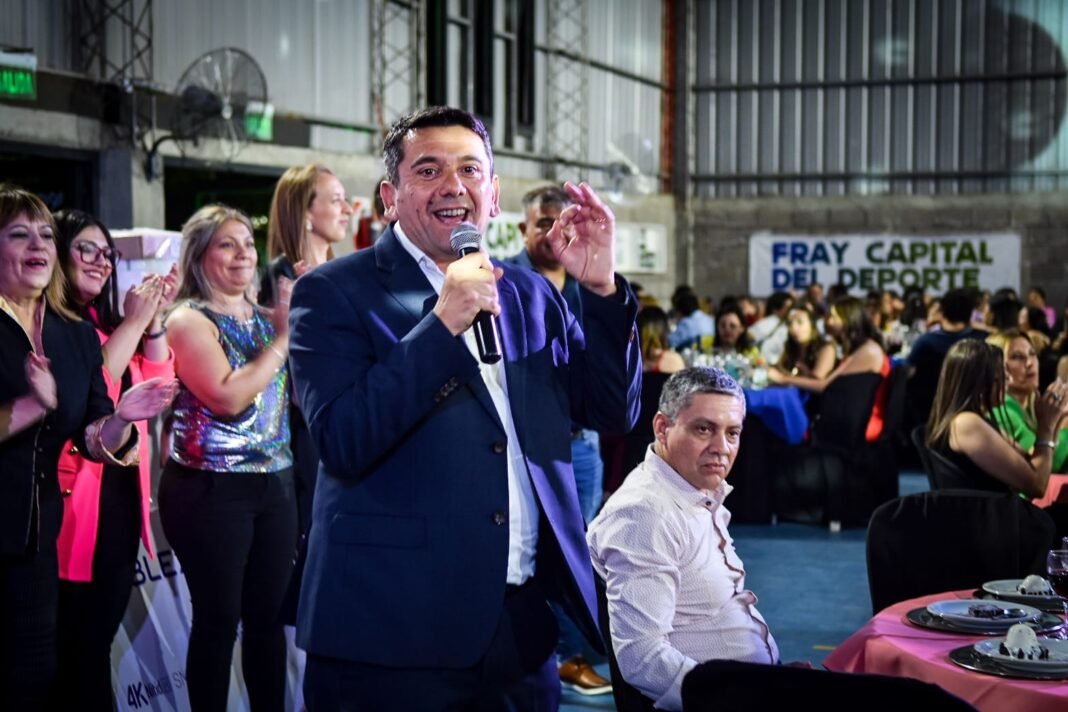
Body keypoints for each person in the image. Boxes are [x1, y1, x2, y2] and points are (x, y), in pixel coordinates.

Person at [288, 106, 641, 710]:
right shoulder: (332, 292)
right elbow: (344, 439)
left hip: (521, 634)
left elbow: (612, 410)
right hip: (391, 633)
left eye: (470, 170)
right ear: (390, 197)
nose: (454, 186)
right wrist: (442, 323)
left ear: (494, 194)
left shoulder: (530, 292)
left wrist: (601, 288)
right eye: (428, 170)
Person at [0, 185, 175, 707]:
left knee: (40, 677)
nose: (37, 244)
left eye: (45, 235)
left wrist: (122, 416)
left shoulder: (72, 334)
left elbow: (94, 435)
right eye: (18, 233)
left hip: (36, 542)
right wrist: (30, 407)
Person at [160, 204, 297, 712]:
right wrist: (284, 339)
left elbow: (295, 397)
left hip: (277, 484)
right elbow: (227, 396)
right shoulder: (187, 320)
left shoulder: (268, 320)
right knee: (219, 622)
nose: (243, 254)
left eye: (247, 242)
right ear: (199, 255)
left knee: (267, 622)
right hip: (210, 491)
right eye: (226, 244)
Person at [587, 367, 779, 711]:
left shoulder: (691, 489)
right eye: (704, 429)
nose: (722, 448)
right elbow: (642, 659)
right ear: (663, 428)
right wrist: (746, 696)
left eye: (732, 433)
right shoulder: (646, 513)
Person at [51, 209, 178, 711]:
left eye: (107, 253)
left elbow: (157, 379)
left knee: (93, 646)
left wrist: (155, 322)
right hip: (72, 510)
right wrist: (136, 321)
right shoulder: (54, 331)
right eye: (86, 249)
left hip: (121, 506)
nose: (101, 262)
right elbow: (93, 389)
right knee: (74, 653)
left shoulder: (103, 328)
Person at [506, 183, 611, 695]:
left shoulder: (584, 277)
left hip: (582, 443)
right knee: (530, 551)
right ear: (523, 228)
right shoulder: (501, 280)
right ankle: (555, 657)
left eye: (558, 221)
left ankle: (570, 654)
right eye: (540, 222)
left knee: (578, 549)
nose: (551, 231)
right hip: (525, 449)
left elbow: (606, 379)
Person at [262, 164, 352, 550]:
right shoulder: (276, 280)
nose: (348, 209)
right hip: (301, 442)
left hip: (350, 428)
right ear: (304, 213)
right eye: (336, 200)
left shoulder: (347, 274)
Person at [927, 338, 1067, 498]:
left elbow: (1029, 464)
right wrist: (1046, 426)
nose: (1008, 379)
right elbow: (1036, 485)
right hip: (991, 518)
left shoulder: (976, 419)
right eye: (1001, 373)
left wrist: (1054, 420)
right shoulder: (966, 423)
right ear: (980, 381)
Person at [768, 296, 890, 441]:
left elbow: (825, 386)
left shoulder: (868, 351)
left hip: (862, 421)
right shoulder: (860, 349)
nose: (828, 322)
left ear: (849, 320)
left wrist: (782, 379)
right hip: (851, 415)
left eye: (833, 317)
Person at [904, 287, 987, 433]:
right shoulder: (984, 340)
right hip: (977, 414)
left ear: (941, 312)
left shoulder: (925, 342)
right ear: (970, 313)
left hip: (929, 416)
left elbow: (907, 374)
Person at [987, 330, 1068, 472]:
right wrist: (1063, 421)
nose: (1030, 363)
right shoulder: (1000, 410)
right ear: (997, 366)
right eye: (1017, 357)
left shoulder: (1034, 404)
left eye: (1032, 354)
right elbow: (1045, 467)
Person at [773, 304, 836, 380]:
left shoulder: (826, 348)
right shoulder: (791, 347)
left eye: (800, 322)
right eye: (790, 323)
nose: (794, 328)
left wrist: (782, 378)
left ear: (812, 324)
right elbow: (779, 368)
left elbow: (817, 382)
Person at [748, 291, 793, 365]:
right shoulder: (770, 321)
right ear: (775, 308)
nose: (791, 311)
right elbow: (748, 336)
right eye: (787, 308)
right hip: (764, 365)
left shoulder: (787, 324)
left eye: (792, 307)